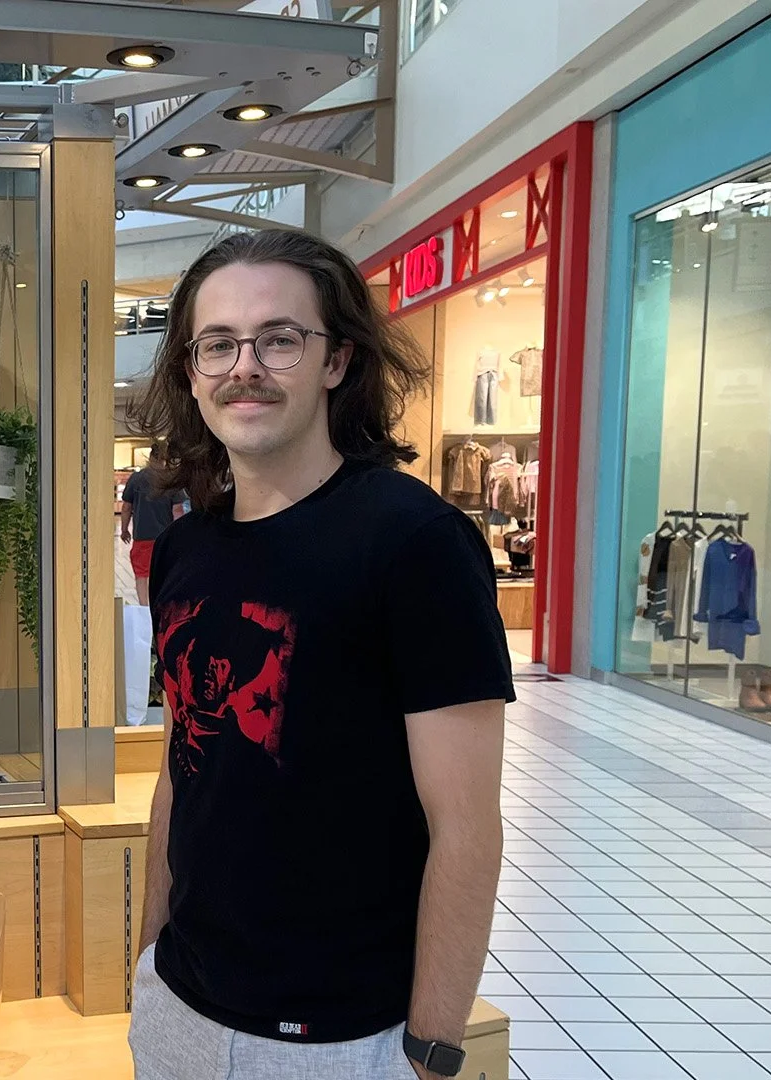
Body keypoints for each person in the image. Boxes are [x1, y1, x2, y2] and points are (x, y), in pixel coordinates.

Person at [127, 229, 511, 1080]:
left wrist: (434, 1045)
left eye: (279, 339)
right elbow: (178, 770)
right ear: (191, 373)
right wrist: (147, 957)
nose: (244, 366)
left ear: (336, 361)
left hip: (341, 1039)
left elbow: (468, 825)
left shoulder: (415, 543)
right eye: (217, 344)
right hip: (179, 1008)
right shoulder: (187, 553)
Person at [119, 449, 185, 607]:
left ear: (150, 457)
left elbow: (126, 507)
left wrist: (124, 529)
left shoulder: (136, 478)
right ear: (164, 459)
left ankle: (143, 608)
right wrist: (181, 536)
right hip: (165, 538)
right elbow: (177, 511)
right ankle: (160, 606)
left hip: (142, 537)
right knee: (165, 573)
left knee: (141, 575)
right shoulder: (170, 479)